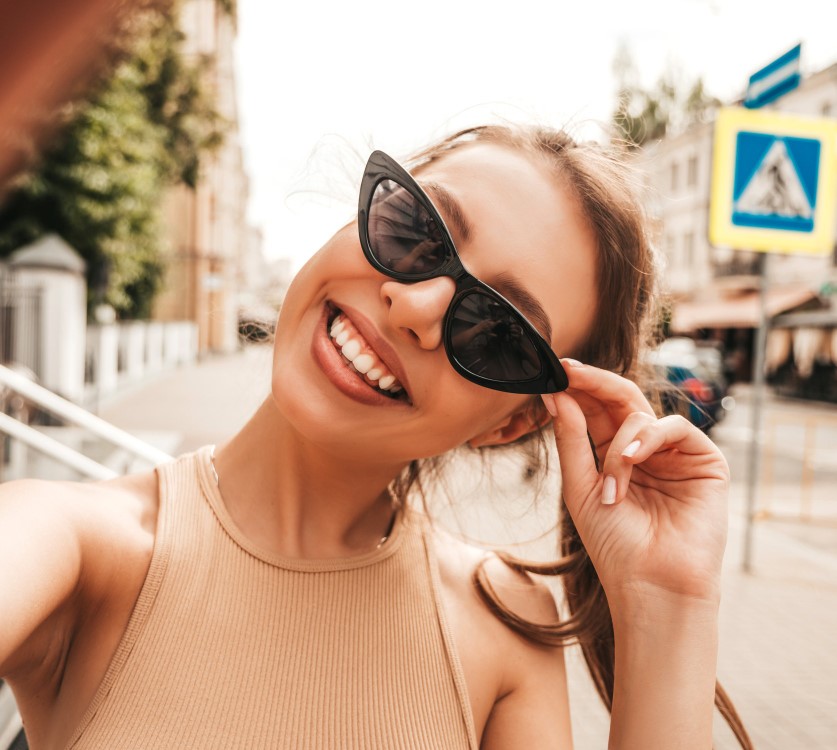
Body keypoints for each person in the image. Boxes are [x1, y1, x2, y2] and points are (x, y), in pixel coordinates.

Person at [0, 124, 752, 749]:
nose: (415, 307)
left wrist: (668, 601)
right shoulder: (71, 544)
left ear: (513, 420)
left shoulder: (500, 628)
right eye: (415, 229)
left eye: (494, 330)